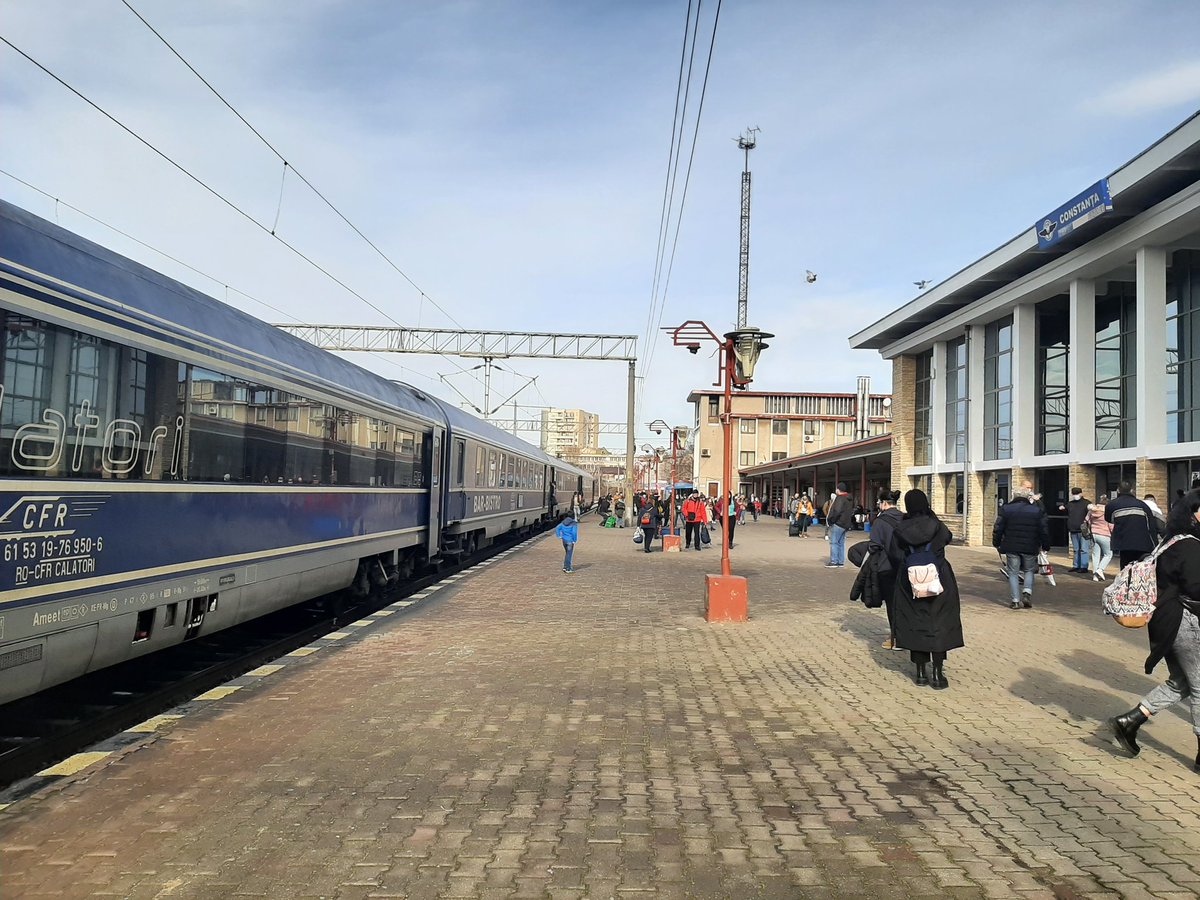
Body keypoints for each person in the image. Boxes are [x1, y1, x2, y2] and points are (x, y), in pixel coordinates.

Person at [1107, 490, 1200, 770]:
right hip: (1185, 624)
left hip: (1168, 623)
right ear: (1193, 514)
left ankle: (1130, 721)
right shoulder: (1191, 546)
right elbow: (1196, 587)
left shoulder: (1170, 542)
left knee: (1180, 683)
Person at [892, 489, 963, 689]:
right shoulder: (937, 526)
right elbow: (948, 538)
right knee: (939, 622)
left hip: (911, 581)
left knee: (915, 622)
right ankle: (939, 674)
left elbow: (894, 553)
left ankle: (921, 673)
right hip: (939, 579)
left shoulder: (901, 528)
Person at [993, 485, 1050, 609]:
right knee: (1029, 570)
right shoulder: (1035, 511)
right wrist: (1045, 544)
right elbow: (1043, 529)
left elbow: (998, 528)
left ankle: (1015, 600)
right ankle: (1027, 592)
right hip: (1030, 545)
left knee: (1013, 572)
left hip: (1011, 545)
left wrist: (996, 542)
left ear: (1014, 496)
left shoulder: (1006, 509)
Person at [869, 489, 905, 650]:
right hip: (905, 566)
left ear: (883, 503)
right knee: (905, 603)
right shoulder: (905, 518)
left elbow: (874, 545)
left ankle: (895, 638)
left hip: (887, 567)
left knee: (892, 603)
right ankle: (905, 636)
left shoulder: (880, 521)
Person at [1105, 481, 1159, 569]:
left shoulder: (1111, 505)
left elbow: (1109, 519)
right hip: (1143, 544)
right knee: (1140, 569)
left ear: (1118, 490)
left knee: (1125, 568)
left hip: (1124, 544)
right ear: (1131, 490)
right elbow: (1151, 526)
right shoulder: (1142, 505)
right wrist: (1154, 545)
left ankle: (1126, 581)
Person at [825, 483, 855, 568]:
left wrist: (831, 520)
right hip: (845, 524)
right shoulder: (849, 499)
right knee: (841, 543)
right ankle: (840, 561)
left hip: (838, 523)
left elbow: (836, 511)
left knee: (834, 542)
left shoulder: (840, 498)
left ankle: (834, 561)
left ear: (838, 489)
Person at [1064, 487, 1092, 574]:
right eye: (1074, 494)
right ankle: (1076, 566)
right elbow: (1065, 508)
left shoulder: (1087, 503)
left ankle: (1084, 566)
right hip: (1073, 529)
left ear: (1081, 493)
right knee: (1076, 549)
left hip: (1083, 530)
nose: (1075, 496)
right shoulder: (1070, 504)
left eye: (1077, 494)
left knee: (1084, 549)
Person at [1086, 501, 1114, 581]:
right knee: (1108, 554)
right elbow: (1111, 525)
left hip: (1094, 534)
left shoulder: (1092, 511)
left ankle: (1095, 576)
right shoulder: (1107, 512)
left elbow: (1087, 520)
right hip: (1105, 535)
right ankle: (1100, 569)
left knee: (1095, 555)